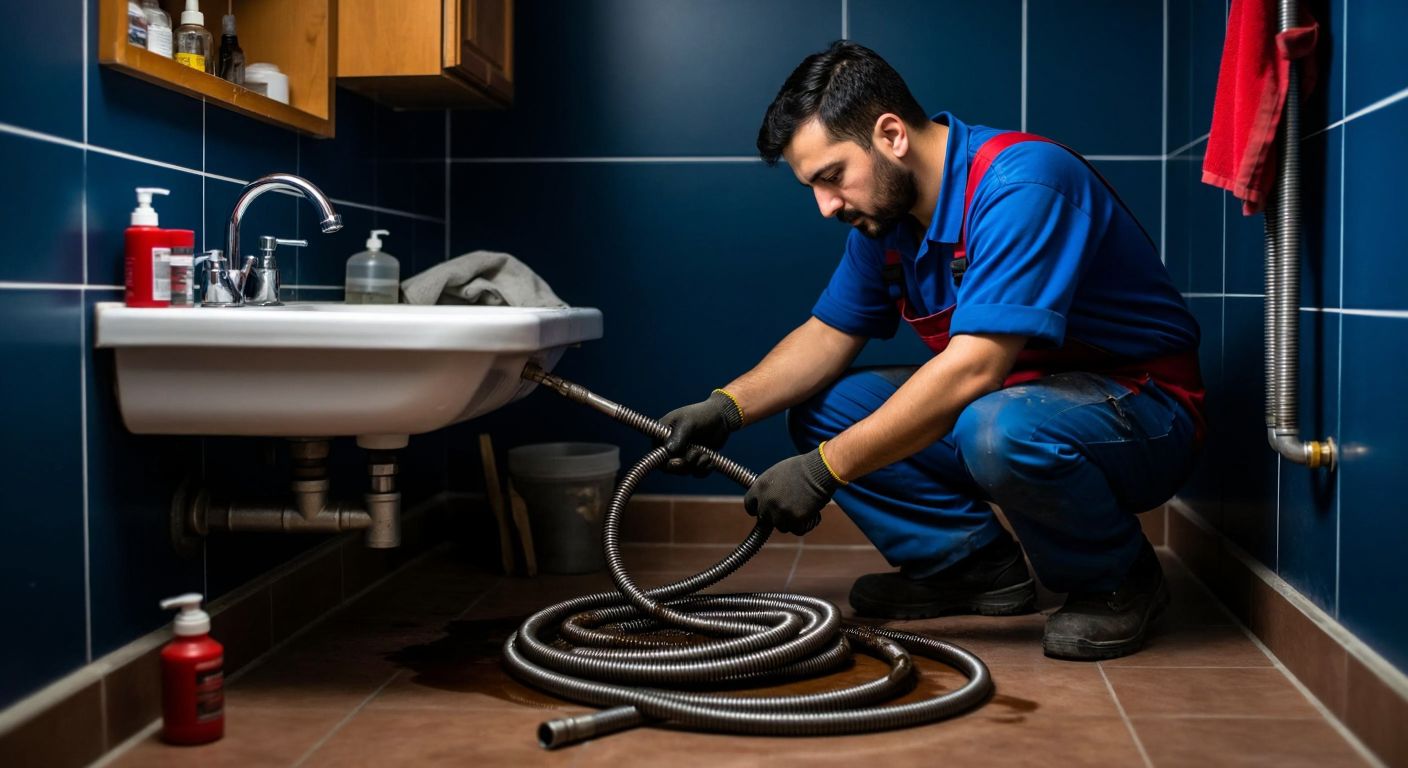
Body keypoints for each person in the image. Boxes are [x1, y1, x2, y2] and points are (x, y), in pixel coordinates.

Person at [658, 41, 1205, 661]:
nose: (826, 205)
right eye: (812, 186)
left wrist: (824, 468)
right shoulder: (888, 222)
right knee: (827, 409)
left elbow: (975, 368)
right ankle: (968, 566)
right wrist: (726, 407)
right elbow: (825, 338)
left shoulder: (1022, 184)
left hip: (1145, 413)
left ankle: (1116, 578)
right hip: (1012, 406)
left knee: (994, 426)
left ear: (890, 134)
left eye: (833, 177)